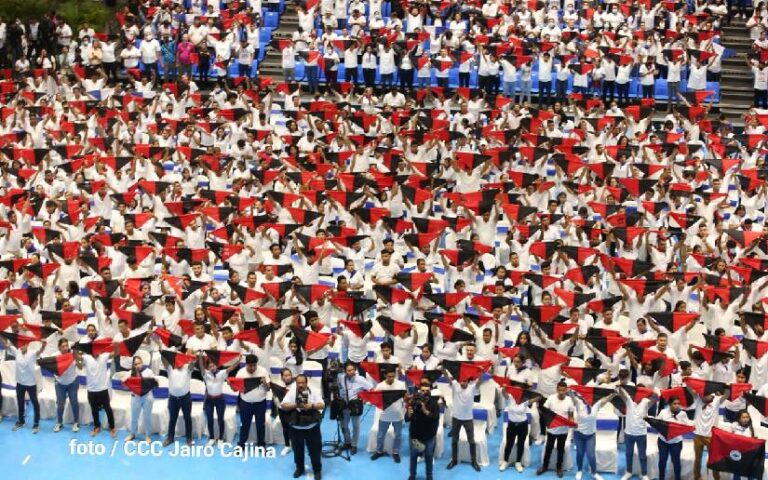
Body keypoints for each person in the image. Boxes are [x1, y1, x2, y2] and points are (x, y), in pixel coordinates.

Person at [282, 374, 324, 480]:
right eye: (298, 383)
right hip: (296, 428)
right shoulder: (291, 392)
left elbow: (322, 405)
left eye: (302, 383)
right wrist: (295, 405)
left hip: (312, 427)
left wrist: (312, 405)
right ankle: (300, 468)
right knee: (297, 450)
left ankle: (317, 470)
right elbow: (283, 405)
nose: (300, 385)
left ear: (306, 383)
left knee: (315, 450)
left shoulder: (314, 391)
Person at [2, 336, 45, 433]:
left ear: (27, 345)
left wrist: (43, 345)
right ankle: (21, 421)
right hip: (20, 383)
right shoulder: (16, 352)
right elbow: (6, 345)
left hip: (31, 384)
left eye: (23, 345)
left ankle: (36, 423)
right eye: (20, 345)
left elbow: (40, 351)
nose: (21, 347)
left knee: (35, 402)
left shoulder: (32, 353)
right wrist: (1, 334)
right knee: (20, 402)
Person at [443, 367, 481, 471]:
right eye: (461, 380)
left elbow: (479, 382)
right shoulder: (455, 385)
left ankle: (474, 461)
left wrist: (481, 372)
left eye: (464, 381)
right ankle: (454, 460)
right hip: (456, 418)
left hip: (468, 419)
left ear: (468, 381)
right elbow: (448, 378)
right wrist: (443, 369)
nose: (462, 383)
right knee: (454, 440)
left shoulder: (472, 388)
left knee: (471, 440)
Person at [200, 351, 239, 446]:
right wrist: (200, 357)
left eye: (213, 365)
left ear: (217, 366)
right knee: (209, 419)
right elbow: (201, 366)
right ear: (207, 367)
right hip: (209, 400)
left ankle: (221, 438)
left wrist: (238, 360)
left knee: (221, 419)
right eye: (210, 366)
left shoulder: (222, 373)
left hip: (220, 400)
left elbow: (231, 368)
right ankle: (212, 438)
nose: (212, 368)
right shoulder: (206, 374)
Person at [619, 383, 656, 480]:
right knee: (628, 454)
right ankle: (628, 472)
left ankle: (644, 474)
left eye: (642, 392)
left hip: (641, 434)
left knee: (642, 455)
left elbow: (655, 399)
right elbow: (621, 394)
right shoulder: (629, 399)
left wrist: (653, 392)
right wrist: (620, 386)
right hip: (629, 433)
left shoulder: (646, 402)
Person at [538, 381, 575, 477]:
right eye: (559, 390)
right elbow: (544, 411)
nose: (561, 392)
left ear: (566, 390)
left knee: (560, 449)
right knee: (548, 448)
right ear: (557, 390)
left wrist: (572, 422)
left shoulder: (569, 400)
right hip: (552, 429)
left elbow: (571, 415)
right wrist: (540, 409)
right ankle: (544, 466)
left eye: (563, 390)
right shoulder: (551, 398)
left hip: (563, 430)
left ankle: (559, 467)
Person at [407, 378, 440, 480]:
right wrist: (408, 413)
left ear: (430, 391)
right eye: (423, 390)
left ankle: (429, 476)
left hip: (429, 436)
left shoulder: (434, 403)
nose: (425, 393)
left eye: (427, 391)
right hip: (415, 436)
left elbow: (435, 418)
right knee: (413, 456)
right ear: (419, 390)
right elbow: (407, 418)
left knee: (429, 457)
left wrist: (424, 410)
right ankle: (412, 475)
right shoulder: (414, 402)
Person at [337, 361, 373, 454]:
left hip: (355, 406)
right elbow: (339, 388)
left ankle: (354, 445)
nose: (351, 372)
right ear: (345, 371)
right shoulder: (341, 378)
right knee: (344, 425)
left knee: (355, 426)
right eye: (348, 370)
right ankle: (347, 442)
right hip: (344, 405)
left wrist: (364, 400)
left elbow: (371, 389)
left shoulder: (360, 379)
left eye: (353, 369)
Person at [371, 369, 406, 463]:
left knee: (398, 435)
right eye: (389, 376)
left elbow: (405, 397)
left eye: (393, 376)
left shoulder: (401, 384)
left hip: (398, 414)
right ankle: (379, 451)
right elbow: (375, 398)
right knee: (380, 435)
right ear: (385, 376)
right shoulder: (380, 386)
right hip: (384, 414)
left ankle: (396, 452)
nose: (391, 378)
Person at [236, 354, 270, 448]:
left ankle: (261, 444)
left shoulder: (263, 371)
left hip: (260, 403)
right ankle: (241, 443)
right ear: (246, 364)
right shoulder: (240, 373)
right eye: (250, 365)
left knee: (260, 425)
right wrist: (235, 386)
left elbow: (268, 389)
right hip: (245, 404)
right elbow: (236, 389)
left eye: (254, 365)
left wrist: (264, 383)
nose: (253, 368)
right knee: (244, 425)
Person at [162, 351, 194, 447]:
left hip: (185, 398)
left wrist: (192, 357)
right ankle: (170, 438)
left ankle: (189, 438)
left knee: (187, 418)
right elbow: (164, 361)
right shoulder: (170, 368)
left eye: (181, 358)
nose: (179, 361)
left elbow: (193, 363)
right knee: (172, 419)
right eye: (177, 358)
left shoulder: (188, 368)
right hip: (173, 399)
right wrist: (162, 353)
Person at [656, 396, 691, 480]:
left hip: (676, 443)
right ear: (669, 404)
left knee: (676, 462)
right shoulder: (663, 412)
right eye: (675, 404)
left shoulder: (682, 414)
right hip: (663, 442)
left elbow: (688, 425)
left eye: (678, 404)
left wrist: (692, 425)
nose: (677, 405)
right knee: (662, 461)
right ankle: (661, 478)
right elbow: (657, 423)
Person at [53, 338, 81, 433]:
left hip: (72, 382)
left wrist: (76, 356)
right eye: (63, 346)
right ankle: (60, 422)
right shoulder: (54, 356)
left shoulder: (72, 354)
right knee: (60, 404)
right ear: (59, 347)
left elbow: (80, 366)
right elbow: (48, 366)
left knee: (74, 402)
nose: (65, 348)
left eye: (66, 346)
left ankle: (76, 422)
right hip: (60, 384)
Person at [127, 354, 154, 443]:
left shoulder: (149, 372)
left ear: (142, 363)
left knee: (147, 417)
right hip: (136, 397)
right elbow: (125, 384)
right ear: (133, 365)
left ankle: (148, 436)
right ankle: (132, 434)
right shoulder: (130, 373)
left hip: (147, 397)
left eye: (139, 363)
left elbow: (153, 384)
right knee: (134, 417)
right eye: (135, 364)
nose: (137, 365)